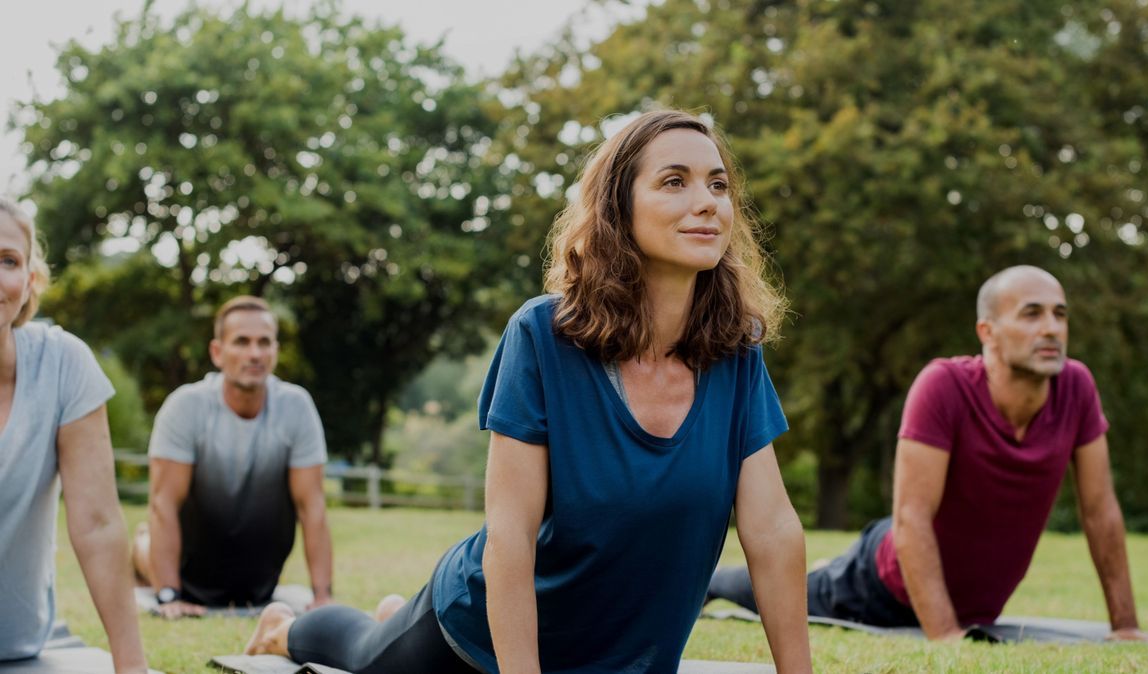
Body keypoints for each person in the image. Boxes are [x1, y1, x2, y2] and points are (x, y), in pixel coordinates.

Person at [244, 109, 813, 673]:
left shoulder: (735, 352)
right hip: (485, 639)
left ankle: (392, 610)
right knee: (364, 652)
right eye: (673, 182)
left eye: (718, 184)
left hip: (618, 655)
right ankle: (284, 630)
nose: (708, 201)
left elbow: (771, 529)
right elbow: (510, 535)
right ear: (618, 208)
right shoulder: (543, 336)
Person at [708, 265, 1148, 642]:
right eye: (1031, 314)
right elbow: (912, 519)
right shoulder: (943, 385)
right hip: (881, 585)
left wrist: (1126, 626)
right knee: (785, 591)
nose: (1051, 328)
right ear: (988, 331)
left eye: (1060, 314)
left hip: (969, 600)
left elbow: (1101, 511)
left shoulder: (1077, 387)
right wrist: (947, 636)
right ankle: (712, 583)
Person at [0, 197, 147, 671]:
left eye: (8, 261)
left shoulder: (63, 363)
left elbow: (99, 523)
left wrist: (132, 667)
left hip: (15, 641)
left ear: (29, 282)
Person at [133, 295, 333, 618]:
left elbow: (312, 506)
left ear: (275, 351)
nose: (254, 354)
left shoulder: (297, 407)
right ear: (217, 352)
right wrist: (169, 595)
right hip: (189, 569)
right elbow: (163, 503)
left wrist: (322, 596)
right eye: (241, 342)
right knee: (148, 543)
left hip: (257, 579)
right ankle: (142, 548)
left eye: (264, 343)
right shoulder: (185, 407)